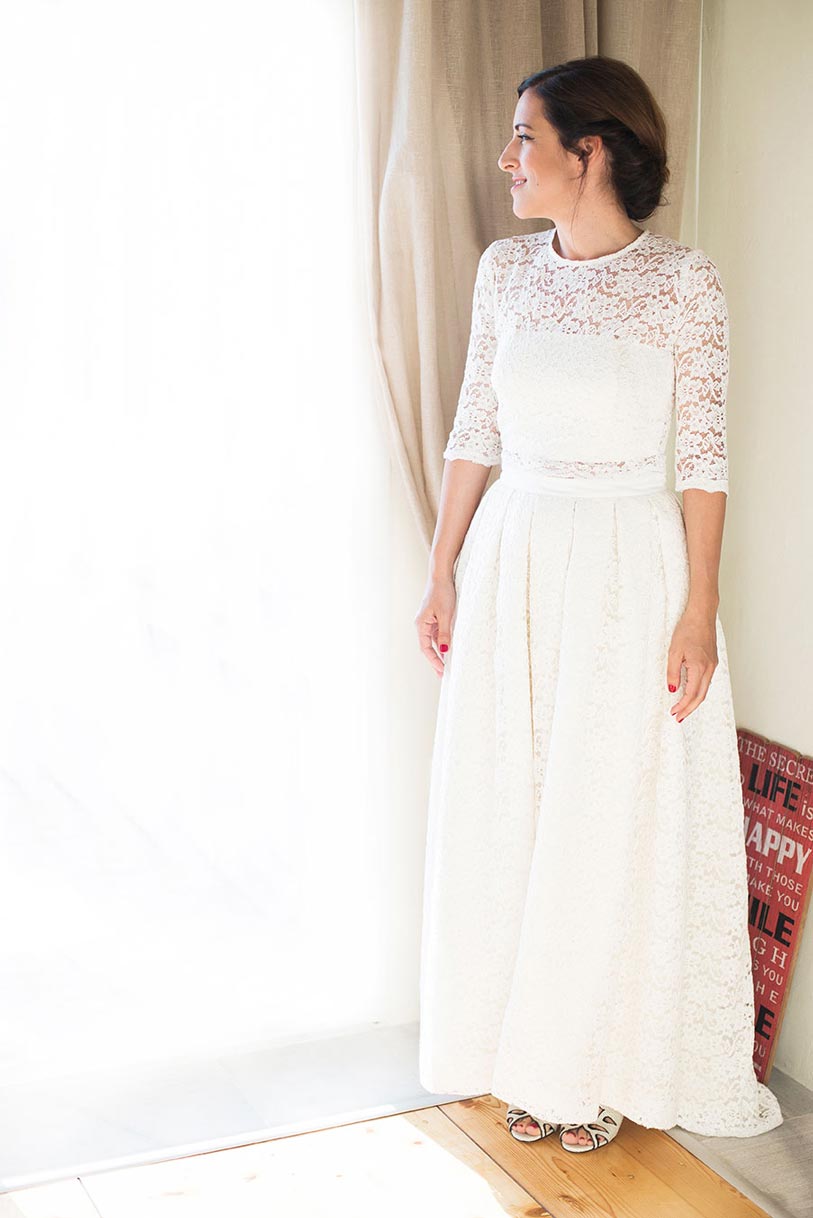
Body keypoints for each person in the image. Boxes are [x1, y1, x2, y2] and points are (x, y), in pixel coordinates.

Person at [414, 55, 784, 1154]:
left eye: (524, 138)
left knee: (605, 812)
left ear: (591, 150)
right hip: (516, 555)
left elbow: (704, 460)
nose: (505, 158)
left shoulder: (684, 283)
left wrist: (698, 609)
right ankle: (517, 1055)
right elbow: (475, 428)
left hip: (630, 567)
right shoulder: (503, 272)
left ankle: (594, 1065)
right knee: (513, 802)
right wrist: (440, 570)